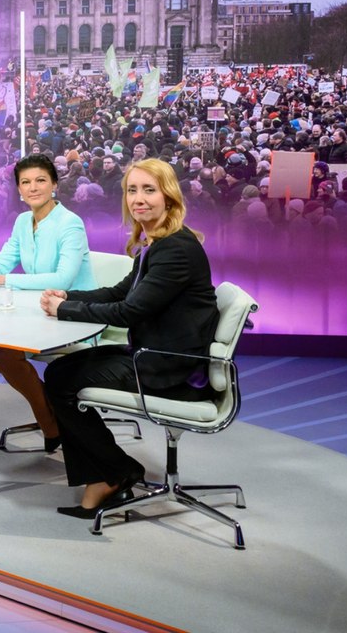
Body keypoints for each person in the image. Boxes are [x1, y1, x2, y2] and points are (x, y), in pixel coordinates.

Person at [38, 159, 218, 519]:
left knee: (60, 380)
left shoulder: (176, 250)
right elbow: (121, 292)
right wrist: (69, 298)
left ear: (168, 196)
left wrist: (64, 311)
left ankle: (115, 473)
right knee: (61, 369)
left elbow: (127, 313)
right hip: (156, 353)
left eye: (149, 190)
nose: (139, 199)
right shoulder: (159, 243)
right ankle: (108, 473)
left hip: (168, 367)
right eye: (132, 190)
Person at [0, 154, 95, 452]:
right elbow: (5, 258)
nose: (33, 188)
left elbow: (61, 280)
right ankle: (54, 415)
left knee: (5, 352)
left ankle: (51, 423)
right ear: (19, 190)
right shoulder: (24, 221)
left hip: (74, 317)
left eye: (40, 180)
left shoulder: (70, 224)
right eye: (25, 182)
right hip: (40, 312)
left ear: (54, 185)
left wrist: (2, 281)